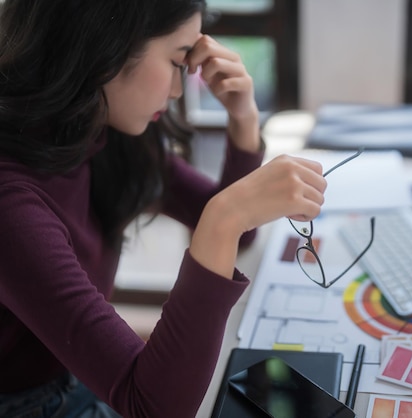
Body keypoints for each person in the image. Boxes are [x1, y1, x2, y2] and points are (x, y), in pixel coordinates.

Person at [0, 1, 327, 417]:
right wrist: (224, 218)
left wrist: (244, 121)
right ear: (106, 49)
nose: (177, 90)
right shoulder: (10, 203)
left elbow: (242, 237)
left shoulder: (95, 129)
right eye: (178, 61)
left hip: (73, 376)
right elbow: (156, 408)